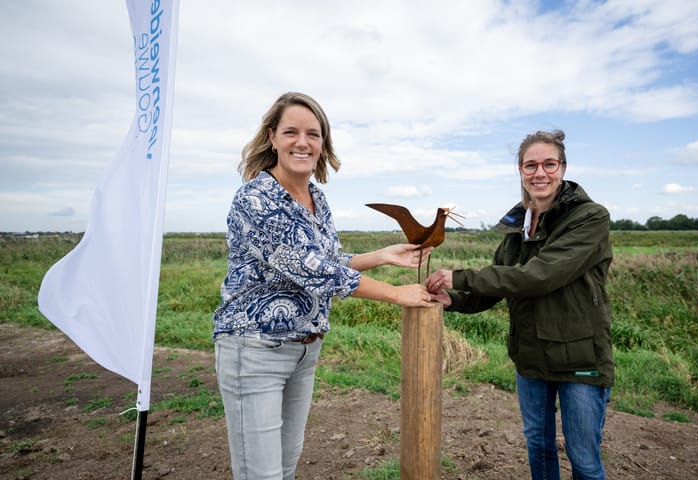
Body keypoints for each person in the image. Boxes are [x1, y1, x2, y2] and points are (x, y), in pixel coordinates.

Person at [213, 91, 435, 480]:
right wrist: (397, 293)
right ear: (272, 137)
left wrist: (384, 255)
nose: (303, 142)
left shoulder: (317, 197)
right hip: (255, 350)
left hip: (304, 350)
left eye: (313, 134)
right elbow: (313, 271)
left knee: (285, 466)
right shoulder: (256, 199)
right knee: (260, 474)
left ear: (322, 143)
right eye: (291, 132)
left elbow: (328, 262)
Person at [425, 129, 614, 480]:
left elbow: (539, 276)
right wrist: (452, 298)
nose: (539, 173)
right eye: (530, 165)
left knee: (584, 460)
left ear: (563, 167)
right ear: (520, 171)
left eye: (548, 164)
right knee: (539, 448)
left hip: (581, 359)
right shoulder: (518, 227)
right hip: (530, 357)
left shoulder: (589, 217)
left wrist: (461, 276)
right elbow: (498, 283)